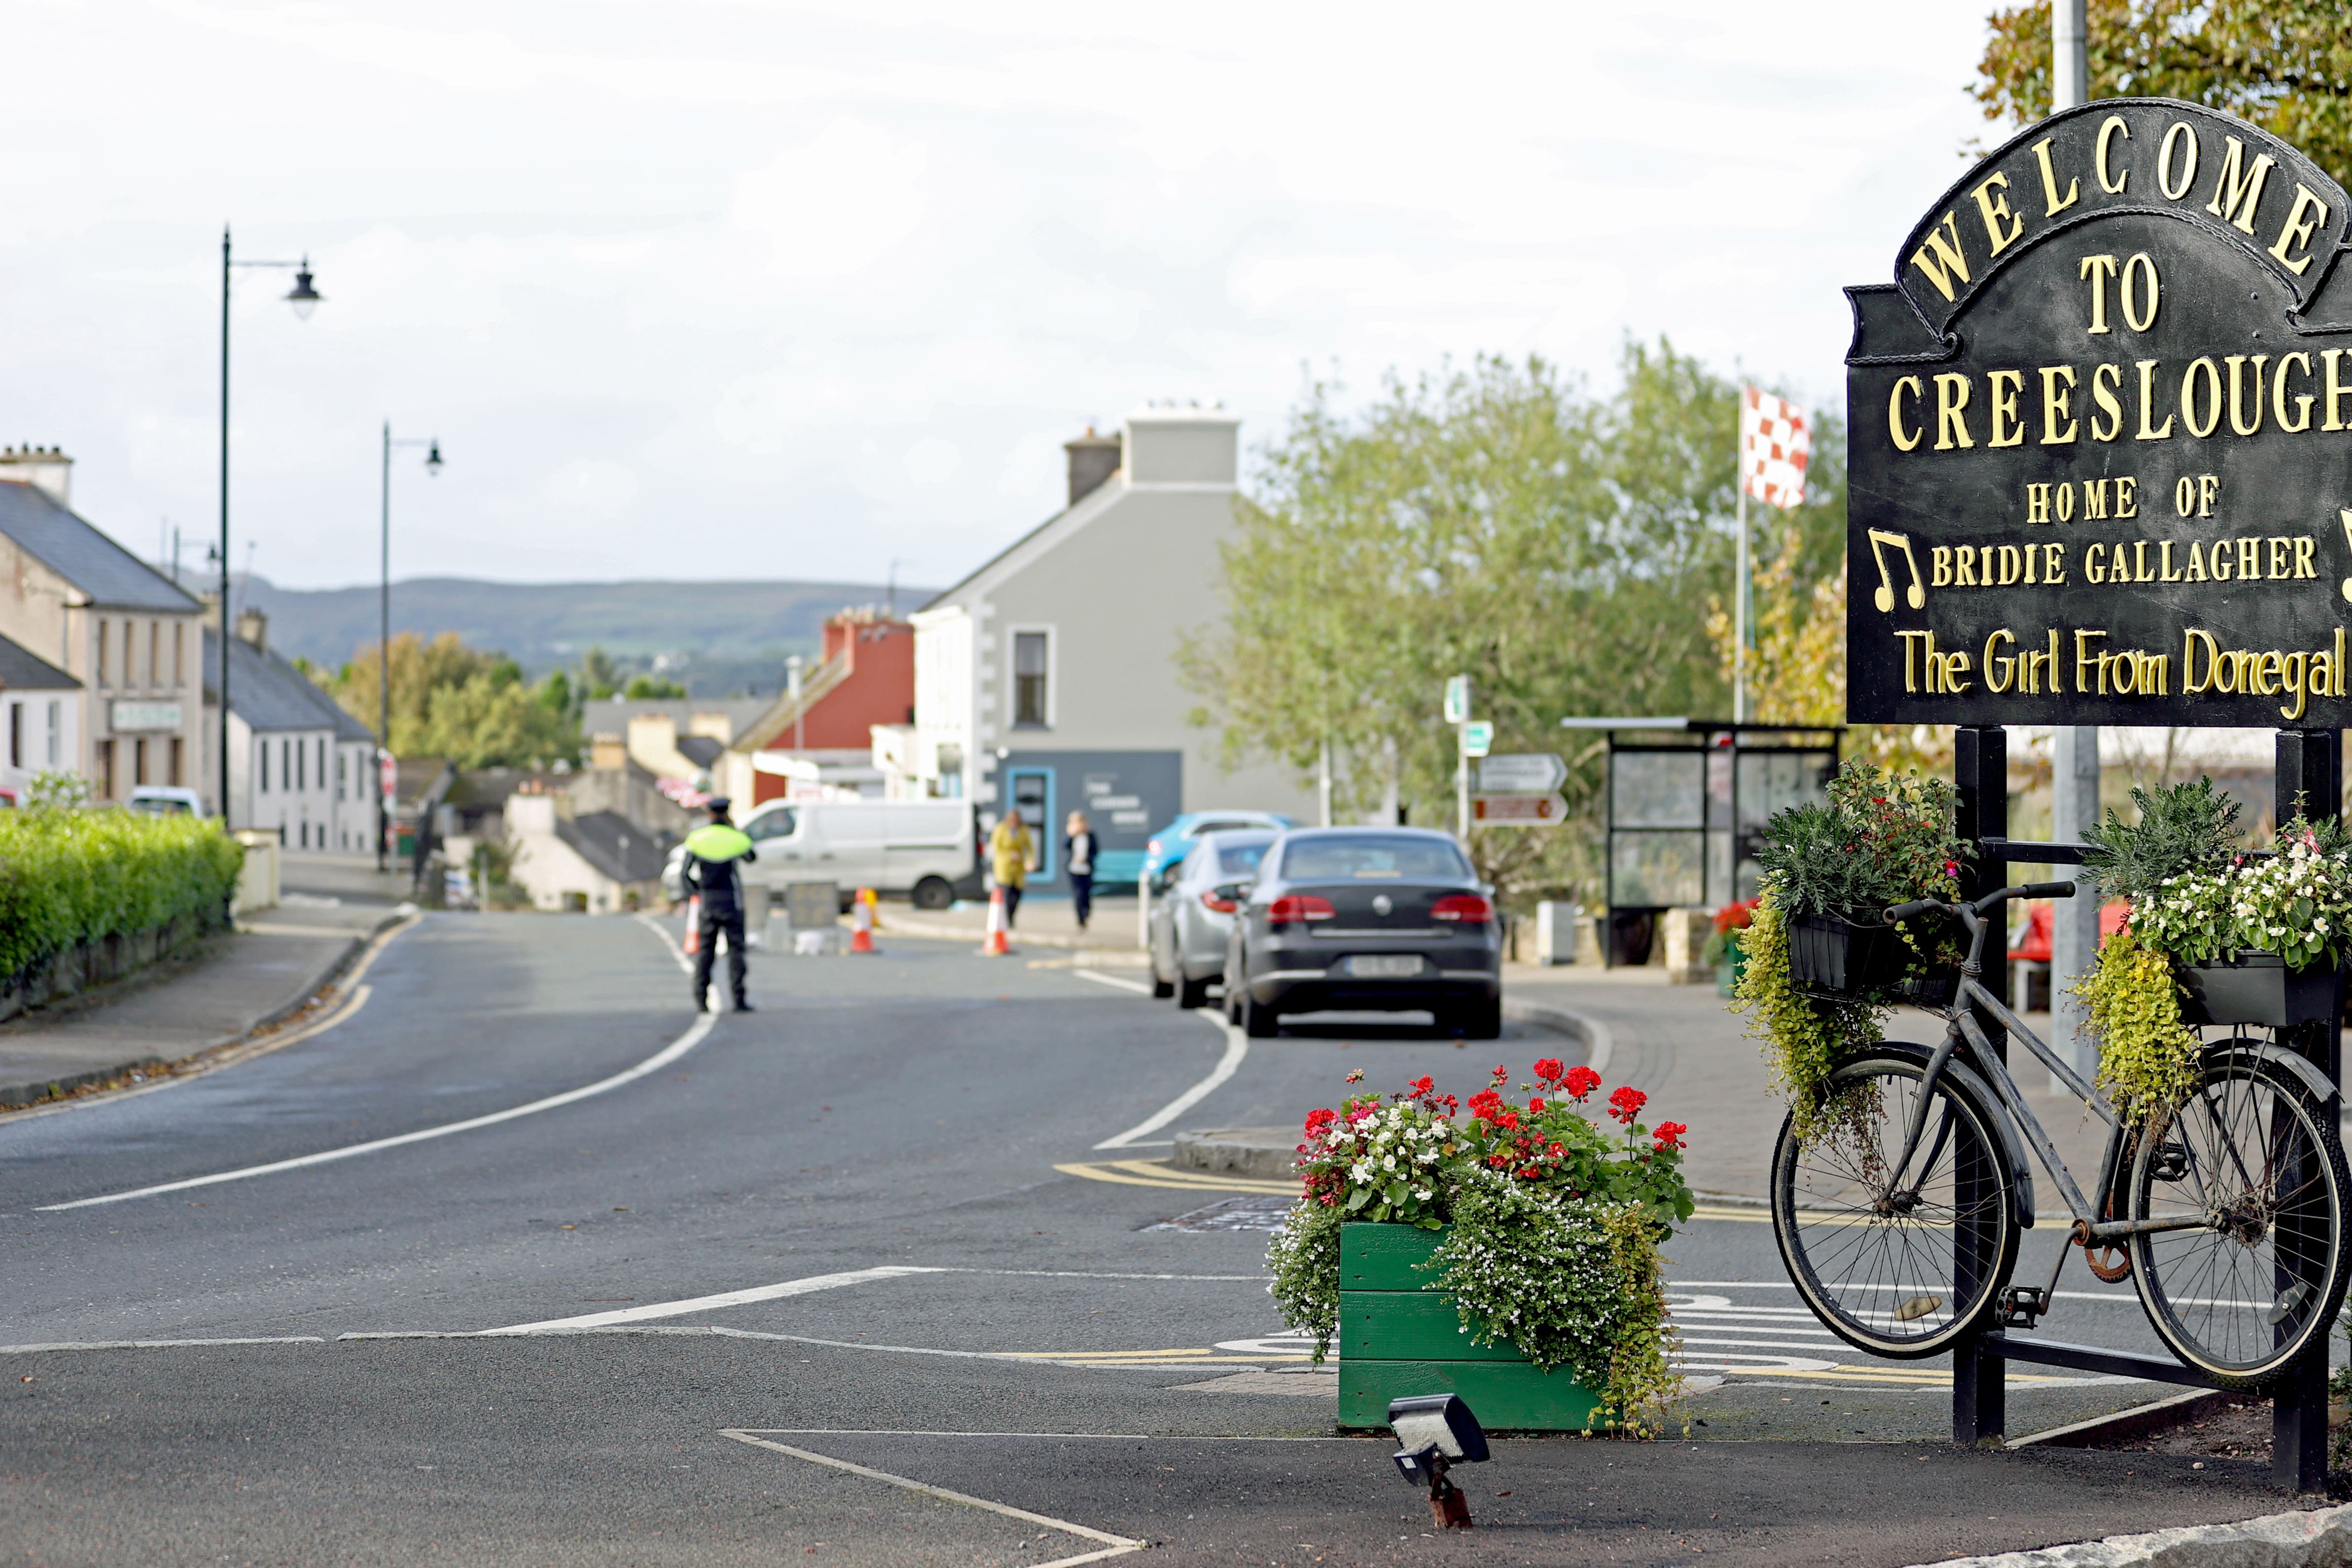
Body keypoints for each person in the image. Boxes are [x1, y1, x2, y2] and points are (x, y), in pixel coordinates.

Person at [681, 797, 757, 1013]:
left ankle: (701, 999)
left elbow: (685, 873)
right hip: (732, 901)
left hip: (708, 901)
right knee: (736, 951)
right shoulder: (736, 838)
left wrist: (696, 892)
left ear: (709, 814)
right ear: (727, 813)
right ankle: (739, 998)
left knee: (706, 952)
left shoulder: (697, 839)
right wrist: (736, 831)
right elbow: (751, 857)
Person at [988, 809, 1035, 928]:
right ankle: (1007, 920)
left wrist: (1030, 861)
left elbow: (1030, 848)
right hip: (1004, 867)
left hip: (1018, 869)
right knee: (1007, 894)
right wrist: (1010, 855)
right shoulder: (1001, 829)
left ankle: (1011, 917)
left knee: (1017, 895)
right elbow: (996, 847)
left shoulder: (1023, 830)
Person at [1063, 810, 1099, 931]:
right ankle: (1081, 920)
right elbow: (1065, 846)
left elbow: (1095, 852)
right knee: (1078, 894)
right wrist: (1071, 834)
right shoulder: (1073, 836)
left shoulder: (1090, 836)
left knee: (1087, 893)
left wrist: (1086, 859)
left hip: (1087, 869)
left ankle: (1087, 911)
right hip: (1074, 869)